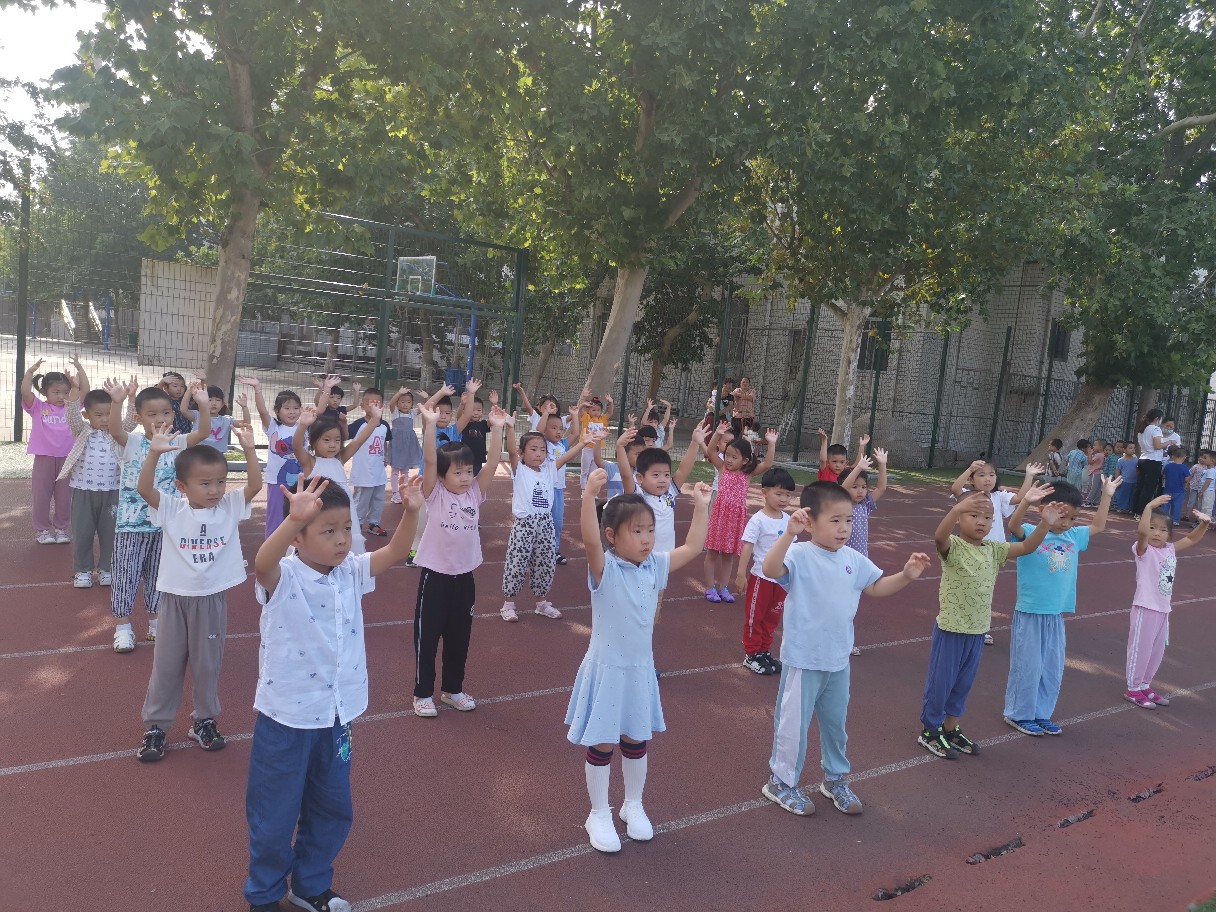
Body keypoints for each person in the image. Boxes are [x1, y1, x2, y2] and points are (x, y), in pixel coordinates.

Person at [244, 475, 422, 912]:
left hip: (337, 716)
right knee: (274, 814)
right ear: (298, 538)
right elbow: (262, 563)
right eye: (328, 531)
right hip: (287, 719)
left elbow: (395, 552)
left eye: (346, 529)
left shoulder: (350, 572)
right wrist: (292, 519)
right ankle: (264, 894)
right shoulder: (285, 576)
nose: (342, 540)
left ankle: (310, 885)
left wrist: (412, 511)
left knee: (333, 807)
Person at [760, 482, 931, 817]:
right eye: (835, 520)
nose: (844, 528)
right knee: (793, 725)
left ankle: (835, 778)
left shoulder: (853, 559)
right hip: (804, 659)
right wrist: (788, 534)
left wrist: (906, 575)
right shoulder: (799, 554)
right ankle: (780, 781)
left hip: (838, 660)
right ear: (810, 522)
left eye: (849, 520)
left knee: (836, 725)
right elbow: (770, 569)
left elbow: (876, 587)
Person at [567, 468, 712, 853]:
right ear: (612, 535)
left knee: (636, 738)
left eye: (650, 530)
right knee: (602, 743)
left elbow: (692, 548)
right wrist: (588, 496)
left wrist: (702, 507)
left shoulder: (654, 566)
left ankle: (633, 804)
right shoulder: (605, 567)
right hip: (608, 671)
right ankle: (598, 812)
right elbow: (589, 540)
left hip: (639, 672)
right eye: (637, 531)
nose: (647, 538)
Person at [135, 425, 262, 761]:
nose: (215, 489)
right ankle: (156, 726)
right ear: (182, 486)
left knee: (207, 666)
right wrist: (154, 452)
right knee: (166, 666)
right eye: (205, 483)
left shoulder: (229, 507)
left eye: (220, 481)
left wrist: (250, 449)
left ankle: (204, 721)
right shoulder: (172, 509)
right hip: (175, 600)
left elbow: (255, 485)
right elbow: (144, 488)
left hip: (210, 600)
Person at [917, 488, 1061, 759]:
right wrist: (955, 510)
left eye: (987, 517)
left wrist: (1045, 524)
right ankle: (930, 730)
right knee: (941, 683)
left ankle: (950, 728)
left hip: (978, 630)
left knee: (963, 684)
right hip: (951, 628)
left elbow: (1027, 547)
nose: (981, 521)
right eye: (973, 515)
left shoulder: (994, 550)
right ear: (960, 517)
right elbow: (939, 537)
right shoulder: (953, 546)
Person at [410, 399, 508, 718]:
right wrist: (428, 425)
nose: (466, 477)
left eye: (468, 471)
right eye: (458, 472)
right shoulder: (434, 493)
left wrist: (497, 429)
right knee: (428, 638)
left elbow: (491, 464)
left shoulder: (474, 494)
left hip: (465, 578)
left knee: (459, 638)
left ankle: (452, 689)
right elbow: (429, 461)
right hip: (435, 578)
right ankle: (423, 693)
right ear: (442, 476)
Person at [1001, 475, 1120, 736]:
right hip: (1031, 611)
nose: (1066, 523)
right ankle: (1018, 713)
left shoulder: (1074, 536)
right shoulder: (1032, 532)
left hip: (1055, 614)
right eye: (1062, 517)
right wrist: (1026, 502)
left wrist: (1107, 495)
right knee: (1028, 666)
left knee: (1051, 667)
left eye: (1073, 518)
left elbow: (1098, 525)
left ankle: (1041, 713)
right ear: (1044, 510)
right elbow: (1014, 525)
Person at [106, 379, 212, 652]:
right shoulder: (132, 442)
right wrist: (117, 402)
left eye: (166, 412)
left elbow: (203, 432)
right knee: (125, 576)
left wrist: (202, 405)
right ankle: (122, 627)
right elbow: (115, 430)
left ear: (173, 415)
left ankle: (155, 623)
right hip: (131, 525)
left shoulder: (178, 442)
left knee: (159, 576)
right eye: (152, 414)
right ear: (138, 418)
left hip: (165, 526)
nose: (160, 418)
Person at [1123, 496, 1211, 709]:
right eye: (1152, 527)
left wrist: (1205, 524)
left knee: (1156, 651)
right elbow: (1142, 533)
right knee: (1140, 649)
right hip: (1145, 607)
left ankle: (1145, 684)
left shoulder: (1169, 549)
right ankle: (1133, 688)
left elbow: (1191, 539)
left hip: (1163, 609)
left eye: (1163, 530)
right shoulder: (1143, 549)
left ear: (1169, 535)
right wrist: (1148, 507)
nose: (1156, 532)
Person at [499, 425, 587, 621]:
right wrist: (510, 427)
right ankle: (508, 604)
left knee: (545, 562)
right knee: (517, 562)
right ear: (522, 452)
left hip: (545, 523)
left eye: (542, 450)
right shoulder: (520, 469)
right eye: (533, 449)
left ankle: (541, 603)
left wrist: (584, 442)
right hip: (525, 523)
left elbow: (566, 457)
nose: (539, 454)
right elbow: (511, 451)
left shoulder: (548, 469)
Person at [292, 402, 383, 557]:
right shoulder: (310, 462)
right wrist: (302, 425)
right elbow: (296, 446)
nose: (333, 445)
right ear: (314, 441)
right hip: (320, 512)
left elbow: (358, 441)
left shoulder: (339, 458)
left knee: (344, 541)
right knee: (321, 540)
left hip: (343, 511)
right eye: (326, 440)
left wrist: (374, 420)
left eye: (337, 440)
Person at [60, 380, 127, 587]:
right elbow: (72, 415)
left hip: (112, 491)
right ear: (87, 415)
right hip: (84, 491)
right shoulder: (82, 431)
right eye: (99, 415)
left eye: (109, 414)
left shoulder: (118, 433)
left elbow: (131, 421)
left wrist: (129, 398)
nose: (105, 419)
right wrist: (74, 390)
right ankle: (83, 571)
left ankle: (107, 568)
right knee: (83, 533)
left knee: (111, 533)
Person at [702, 422, 778, 602]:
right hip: (719, 517)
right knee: (712, 553)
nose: (728, 459)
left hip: (735, 520)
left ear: (745, 460)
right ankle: (709, 588)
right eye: (727, 455)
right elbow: (711, 451)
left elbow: (768, 464)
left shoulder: (747, 474)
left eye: (734, 457)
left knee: (728, 556)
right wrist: (717, 434)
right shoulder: (722, 468)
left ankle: (723, 588)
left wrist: (771, 444)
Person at [735, 467, 797, 675]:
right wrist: (741, 574)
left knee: (772, 618)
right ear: (764, 492)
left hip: (781, 580)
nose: (784, 499)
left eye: (788, 495)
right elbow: (748, 546)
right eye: (779, 493)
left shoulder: (788, 520)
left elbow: (793, 549)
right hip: (761, 578)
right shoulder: (758, 520)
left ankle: (763, 651)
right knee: (756, 617)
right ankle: (751, 654)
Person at [22, 356, 87, 543]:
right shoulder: (38, 407)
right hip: (44, 458)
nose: (61, 396)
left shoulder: (72, 407)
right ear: (45, 392)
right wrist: (29, 372)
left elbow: (85, 391)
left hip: (68, 459)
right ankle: (42, 530)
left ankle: (61, 529)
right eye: (56, 392)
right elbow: (25, 392)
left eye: (66, 392)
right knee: (41, 496)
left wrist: (79, 369)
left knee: (65, 496)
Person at [242, 377, 303, 538]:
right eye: (287, 408)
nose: (292, 412)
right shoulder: (273, 427)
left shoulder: (304, 427)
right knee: (276, 517)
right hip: (277, 481)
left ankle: (296, 546)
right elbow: (262, 411)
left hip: (301, 481)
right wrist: (257, 389)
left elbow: (319, 411)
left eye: (296, 408)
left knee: (299, 516)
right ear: (277, 411)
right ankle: (272, 545)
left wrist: (325, 390)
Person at [346, 387, 393, 537]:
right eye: (369, 403)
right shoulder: (358, 424)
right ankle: (356, 524)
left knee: (378, 499)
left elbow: (384, 441)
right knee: (361, 500)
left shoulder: (384, 425)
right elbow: (345, 434)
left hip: (379, 471)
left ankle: (374, 523)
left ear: (382, 406)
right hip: (363, 472)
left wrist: (385, 455)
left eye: (376, 403)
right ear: (362, 406)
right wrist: (340, 420)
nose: (373, 406)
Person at [539, 408, 581, 564]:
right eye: (554, 428)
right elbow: (538, 431)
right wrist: (545, 414)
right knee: (540, 520)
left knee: (557, 522)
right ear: (545, 429)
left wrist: (575, 415)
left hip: (557, 490)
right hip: (543, 489)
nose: (558, 431)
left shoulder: (563, 445)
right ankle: (537, 549)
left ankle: (554, 550)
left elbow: (575, 434)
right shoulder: (542, 443)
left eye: (561, 429)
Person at [386, 387, 423, 503]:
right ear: (398, 403)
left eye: (408, 402)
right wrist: (399, 393)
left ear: (412, 404)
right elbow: (391, 403)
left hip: (408, 446)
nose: (405, 404)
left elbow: (426, 407)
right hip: (397, 446)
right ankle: (395, 493)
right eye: (402, 401)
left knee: (405, 471)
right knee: (395, 470)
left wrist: (426, 397)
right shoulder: (395, 413)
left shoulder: (412, 413)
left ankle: (404, 492)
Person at [1132, 408, 1168, 515]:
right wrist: (1169, 442)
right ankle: (1142, 512)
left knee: (1140, 486)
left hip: (1143, 458)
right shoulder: (1156, 429)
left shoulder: (1142, 429)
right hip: (1153, 460)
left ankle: (1135, 510)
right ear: (1157, 418)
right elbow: (1157, 445)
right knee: (1149, 488)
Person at [455, 379, 493, 475]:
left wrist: (494, 404)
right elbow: (458, 417)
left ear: (483, 411)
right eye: (472, 410)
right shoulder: (465, 423)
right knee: (465, 477)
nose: (476, 413)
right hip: (465, 457)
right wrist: (462, 404)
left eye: (478, 410)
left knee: (476, 478)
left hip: (478, 458)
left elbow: (492, 421)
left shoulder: (483, 424)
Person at [577, 392, 614, 488]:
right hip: (587, 448)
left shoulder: (603, 419)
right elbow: (580, 409)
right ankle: (583, 490)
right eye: (593, 410)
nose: (596, 412)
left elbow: (610, 413)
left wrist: (611, 402)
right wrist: (583, 399)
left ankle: (591, 490)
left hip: (597, 450)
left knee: (593, 473)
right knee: (584, 471)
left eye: (598, 410)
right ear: (588, 410)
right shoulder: (586, 417)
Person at [158, 370, 196, 435]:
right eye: (175, 386)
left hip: (186, 433)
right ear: (166, 388)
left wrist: (203, 381)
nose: (179, 389)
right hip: (170, 433)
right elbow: (157, 393)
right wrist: (162, 382)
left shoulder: (185, 399)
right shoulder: (165, 400)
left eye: (182, 386)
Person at [1160, 445, 1190, 525]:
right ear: (1184, 457)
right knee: (1177, 506)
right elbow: (1187, 479)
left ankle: (1163, 519)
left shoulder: (1168, 466)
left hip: (1168, 489)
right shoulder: (1184, 467)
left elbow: (1163, 475)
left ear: (1173, 456)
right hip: (1179, 490)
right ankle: (1175, 520)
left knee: (1165, 505)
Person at [1114, 442, 1139, 512]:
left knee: (1132, 496)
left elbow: (1138, 470)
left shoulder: (1136, 460)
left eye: (1134, 448)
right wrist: (1117, 481)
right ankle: (1121, 508)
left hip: (1134, 481)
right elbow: (1117, 471)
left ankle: (1130, 508)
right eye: (1130, 448)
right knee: (1123, 495)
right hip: (1124, 481)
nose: (1133, 449)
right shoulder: (1120, 460)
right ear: (1124, 449)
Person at [1082, 438, 1106, 507]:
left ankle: (1088, 501)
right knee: (1098, 488)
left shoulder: (1098, 455)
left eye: (1095, 445)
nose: (1093, 446)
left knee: (1092, 487)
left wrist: (1089, 454)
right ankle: (1096, 501)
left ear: (1100, 447)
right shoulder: (1103, 454)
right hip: (1100, 473)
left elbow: (1090, 462)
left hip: (1095, 473)